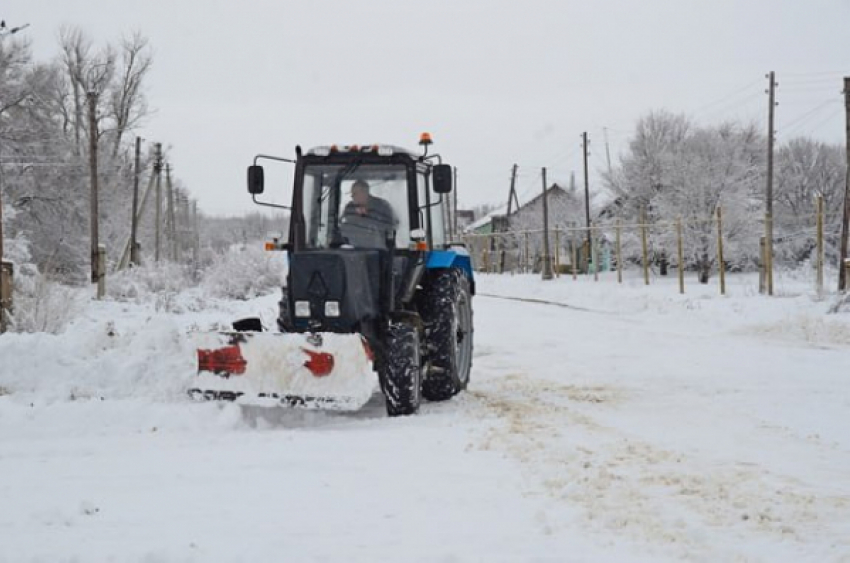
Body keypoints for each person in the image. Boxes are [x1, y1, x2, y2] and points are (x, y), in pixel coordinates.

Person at [339, 180, 398, 248]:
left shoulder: (382, 207)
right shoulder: (349, 207)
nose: (352, 196)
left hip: (379, 251)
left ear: (364, 192)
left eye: (354, 193)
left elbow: (391, 226)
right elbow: (344, 225)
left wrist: (366, 220)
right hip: (355, 249)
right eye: (352, 194)